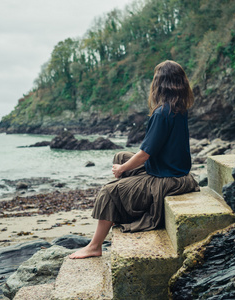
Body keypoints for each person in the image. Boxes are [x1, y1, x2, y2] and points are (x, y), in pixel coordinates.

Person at [69, 60, 199, 259]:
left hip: (168, 179)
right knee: (121, 156)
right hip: (175, 171)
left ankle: (95, 246)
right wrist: (123, 164)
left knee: (108, 191)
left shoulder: (162, 112)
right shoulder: (178, 108)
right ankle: (124, 206)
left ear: (159, 83)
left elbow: (144, 155)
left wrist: (121, 170)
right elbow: (151, 151)